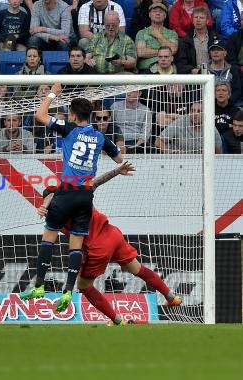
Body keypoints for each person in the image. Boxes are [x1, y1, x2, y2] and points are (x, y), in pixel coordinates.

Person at [34, 163, 182, 325]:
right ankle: (171, 297)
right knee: (137, 269)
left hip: (97, 247)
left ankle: (118, 321)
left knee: (84, 287)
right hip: (113, 235)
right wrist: (117, 171)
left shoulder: (54, 215)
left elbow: (48, 233)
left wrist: (44, 209)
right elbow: (96, 182)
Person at [21, 82, 123, 312]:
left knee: (49, 238)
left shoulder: (68, 129)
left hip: (67, 191)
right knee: (75, 245)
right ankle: (68, 290)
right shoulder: (99, 136)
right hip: (86, 196)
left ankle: (39, 286)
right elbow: (118, 159)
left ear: (74, 115)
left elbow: (39, 115)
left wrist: (53, 93)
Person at [154, 101, 223, 154]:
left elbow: (219, 151)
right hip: (178, 161)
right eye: (192, 111)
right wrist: (170, 152)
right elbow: (158, 141)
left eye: (199, 111)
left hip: (200, 163)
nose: (195, 114)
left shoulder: (211, 128)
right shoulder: (180, 122)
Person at [135, 3, 178, 73]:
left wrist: (158, 36)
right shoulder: (141, 33)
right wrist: (164, 53)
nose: (158, 13)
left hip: (167, 69)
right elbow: (141, 52)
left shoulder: (172, 33)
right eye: (154, 11)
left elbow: (173, 50)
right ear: (149, 15)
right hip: (147, 69)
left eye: (161, 11)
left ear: (165, 15)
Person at [175, 7, 210, 74]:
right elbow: (180, 63)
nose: (198, 20)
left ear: (207, 21)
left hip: (212, 75)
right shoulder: (184, 41)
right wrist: (192, 70)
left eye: (201, 18)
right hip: (193, 78)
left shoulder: (215, 39)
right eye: (196, 17)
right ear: (192, 20)